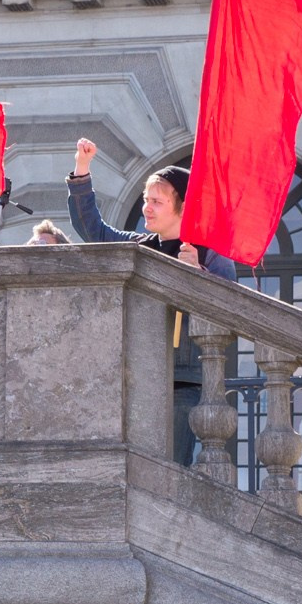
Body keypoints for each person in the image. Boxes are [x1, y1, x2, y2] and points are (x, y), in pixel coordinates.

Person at [65, 138, 238, 462]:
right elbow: (94, 231)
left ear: (183, 206)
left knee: (170, 470)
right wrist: (82, 168)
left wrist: (198, 272)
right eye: (146, 199)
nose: (147, 207)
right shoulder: (141, 245)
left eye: (157, 201)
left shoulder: (209, 253)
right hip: (141, 375)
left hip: (186, 381)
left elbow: (234, 309)